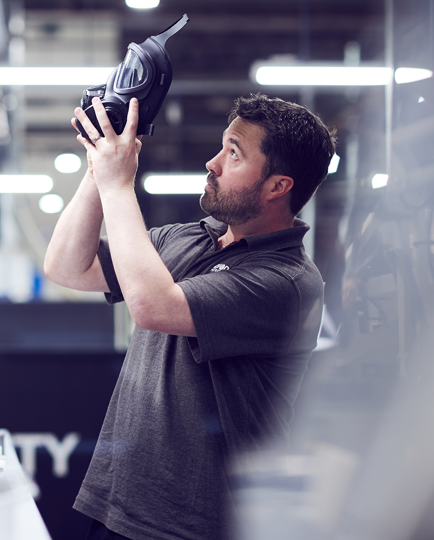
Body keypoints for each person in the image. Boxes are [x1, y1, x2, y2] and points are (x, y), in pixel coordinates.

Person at [43, 93, 336, 540]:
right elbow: (67, 266)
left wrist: (119, 184)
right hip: (118, 507)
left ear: (279, 186)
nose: (212, 163)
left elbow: (153, 308)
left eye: (233, 153)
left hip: (197, 526)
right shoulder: (184, 239)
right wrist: (98, 168)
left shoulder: (288, 282)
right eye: (221, 146)